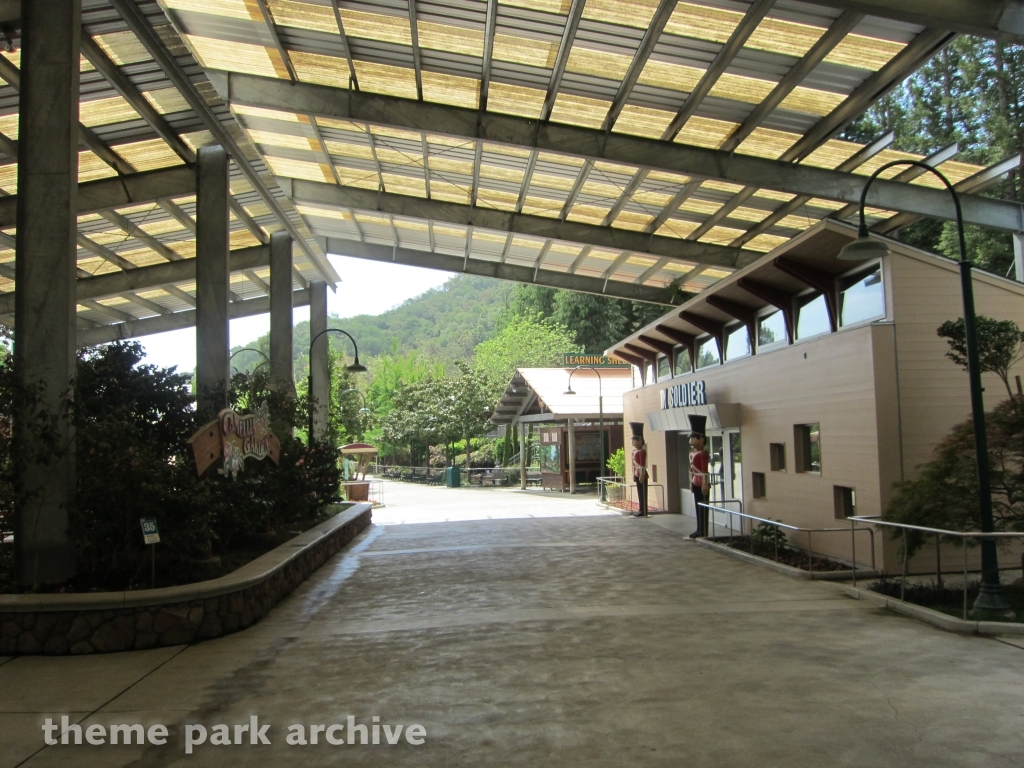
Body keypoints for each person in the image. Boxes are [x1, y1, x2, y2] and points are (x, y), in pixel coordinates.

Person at [687, 415, 710, 538]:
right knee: (697, 505)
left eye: (693, 438)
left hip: (702, 482)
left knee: (703, 506)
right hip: (695, 481)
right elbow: (691, 469)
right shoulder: (692, 453)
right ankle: (699, 528)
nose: (691, 440)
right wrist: (691, 482)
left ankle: (704, 529)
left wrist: (705, 483)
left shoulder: (703, 454)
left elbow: (705, 470)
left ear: (701, 438)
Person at [629, 422, 648, 518]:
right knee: (639, 492)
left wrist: (642, 474)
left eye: (634, 440)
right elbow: (634, 464)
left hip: (641, 473)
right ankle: (641, 509)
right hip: (637, 472)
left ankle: (644, 510)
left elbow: (642, 465)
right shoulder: (634, 451)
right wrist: (634, 474)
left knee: (643, 492)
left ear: (640, 440)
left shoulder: (641, 451)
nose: (632, 442)